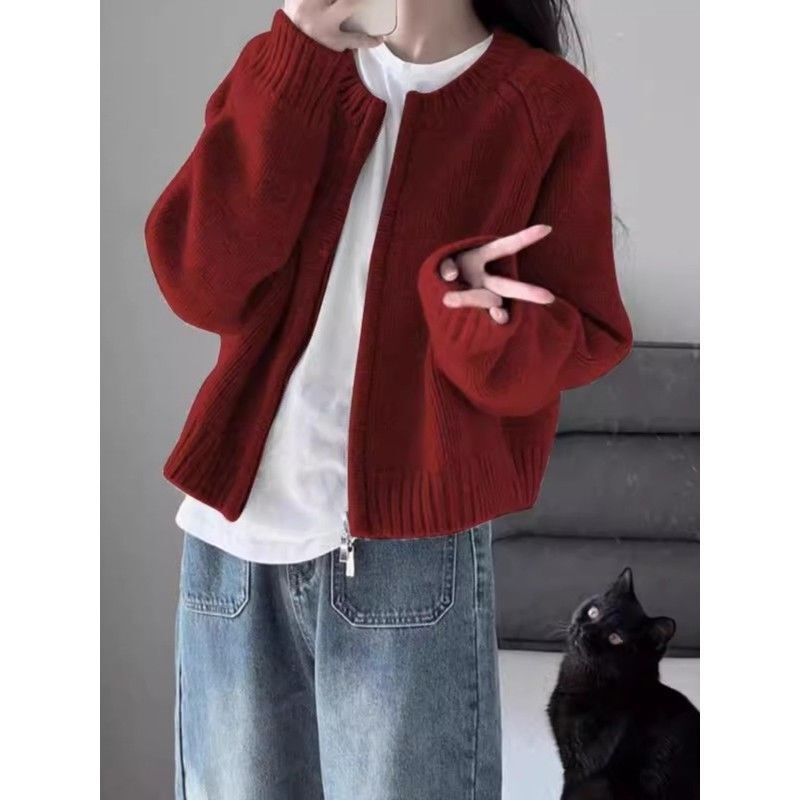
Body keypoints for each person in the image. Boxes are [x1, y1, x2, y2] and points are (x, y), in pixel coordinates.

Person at [145, 1, 633, 797]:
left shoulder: (543, 104)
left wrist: (475, 320)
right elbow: (201, 286)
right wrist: (293, 67)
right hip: (232, 542)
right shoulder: (285, 69)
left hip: (411, 555)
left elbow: (585, 334)